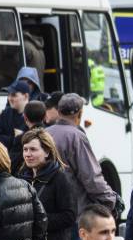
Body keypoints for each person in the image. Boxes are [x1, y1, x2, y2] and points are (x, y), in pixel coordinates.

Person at [46, 93, 120, 221]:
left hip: (48, 209)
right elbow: (91, 177)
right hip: (73, 210)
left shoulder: (46, 133)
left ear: (58, 111)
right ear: (80, 113)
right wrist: (111, 200)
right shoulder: (76, 136)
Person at [0, 81, 29, 152]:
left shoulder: (34, 112)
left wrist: (20, 138)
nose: (10, 98)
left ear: (26, 96)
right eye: (9, 95)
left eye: (14, 95)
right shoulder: (6, 113)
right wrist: (15, 139)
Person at [10, 100, 46, 173]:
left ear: (25, 118)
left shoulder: (21, 138)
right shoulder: (50, 135)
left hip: (27, 178)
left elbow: (12, 164)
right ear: (45, 117)